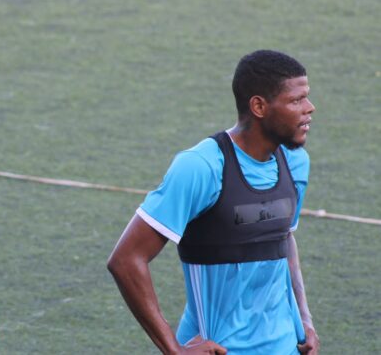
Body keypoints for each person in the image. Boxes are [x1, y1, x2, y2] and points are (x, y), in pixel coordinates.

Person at [107, 50, 320, 354]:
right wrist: (175, 350)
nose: (310, 108)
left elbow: (283, 239)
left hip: (286, 346)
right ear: (259, 106)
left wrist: (305, 319)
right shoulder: (201, 167)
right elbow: (126, 260)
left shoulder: (295, 162)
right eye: (296, 100)